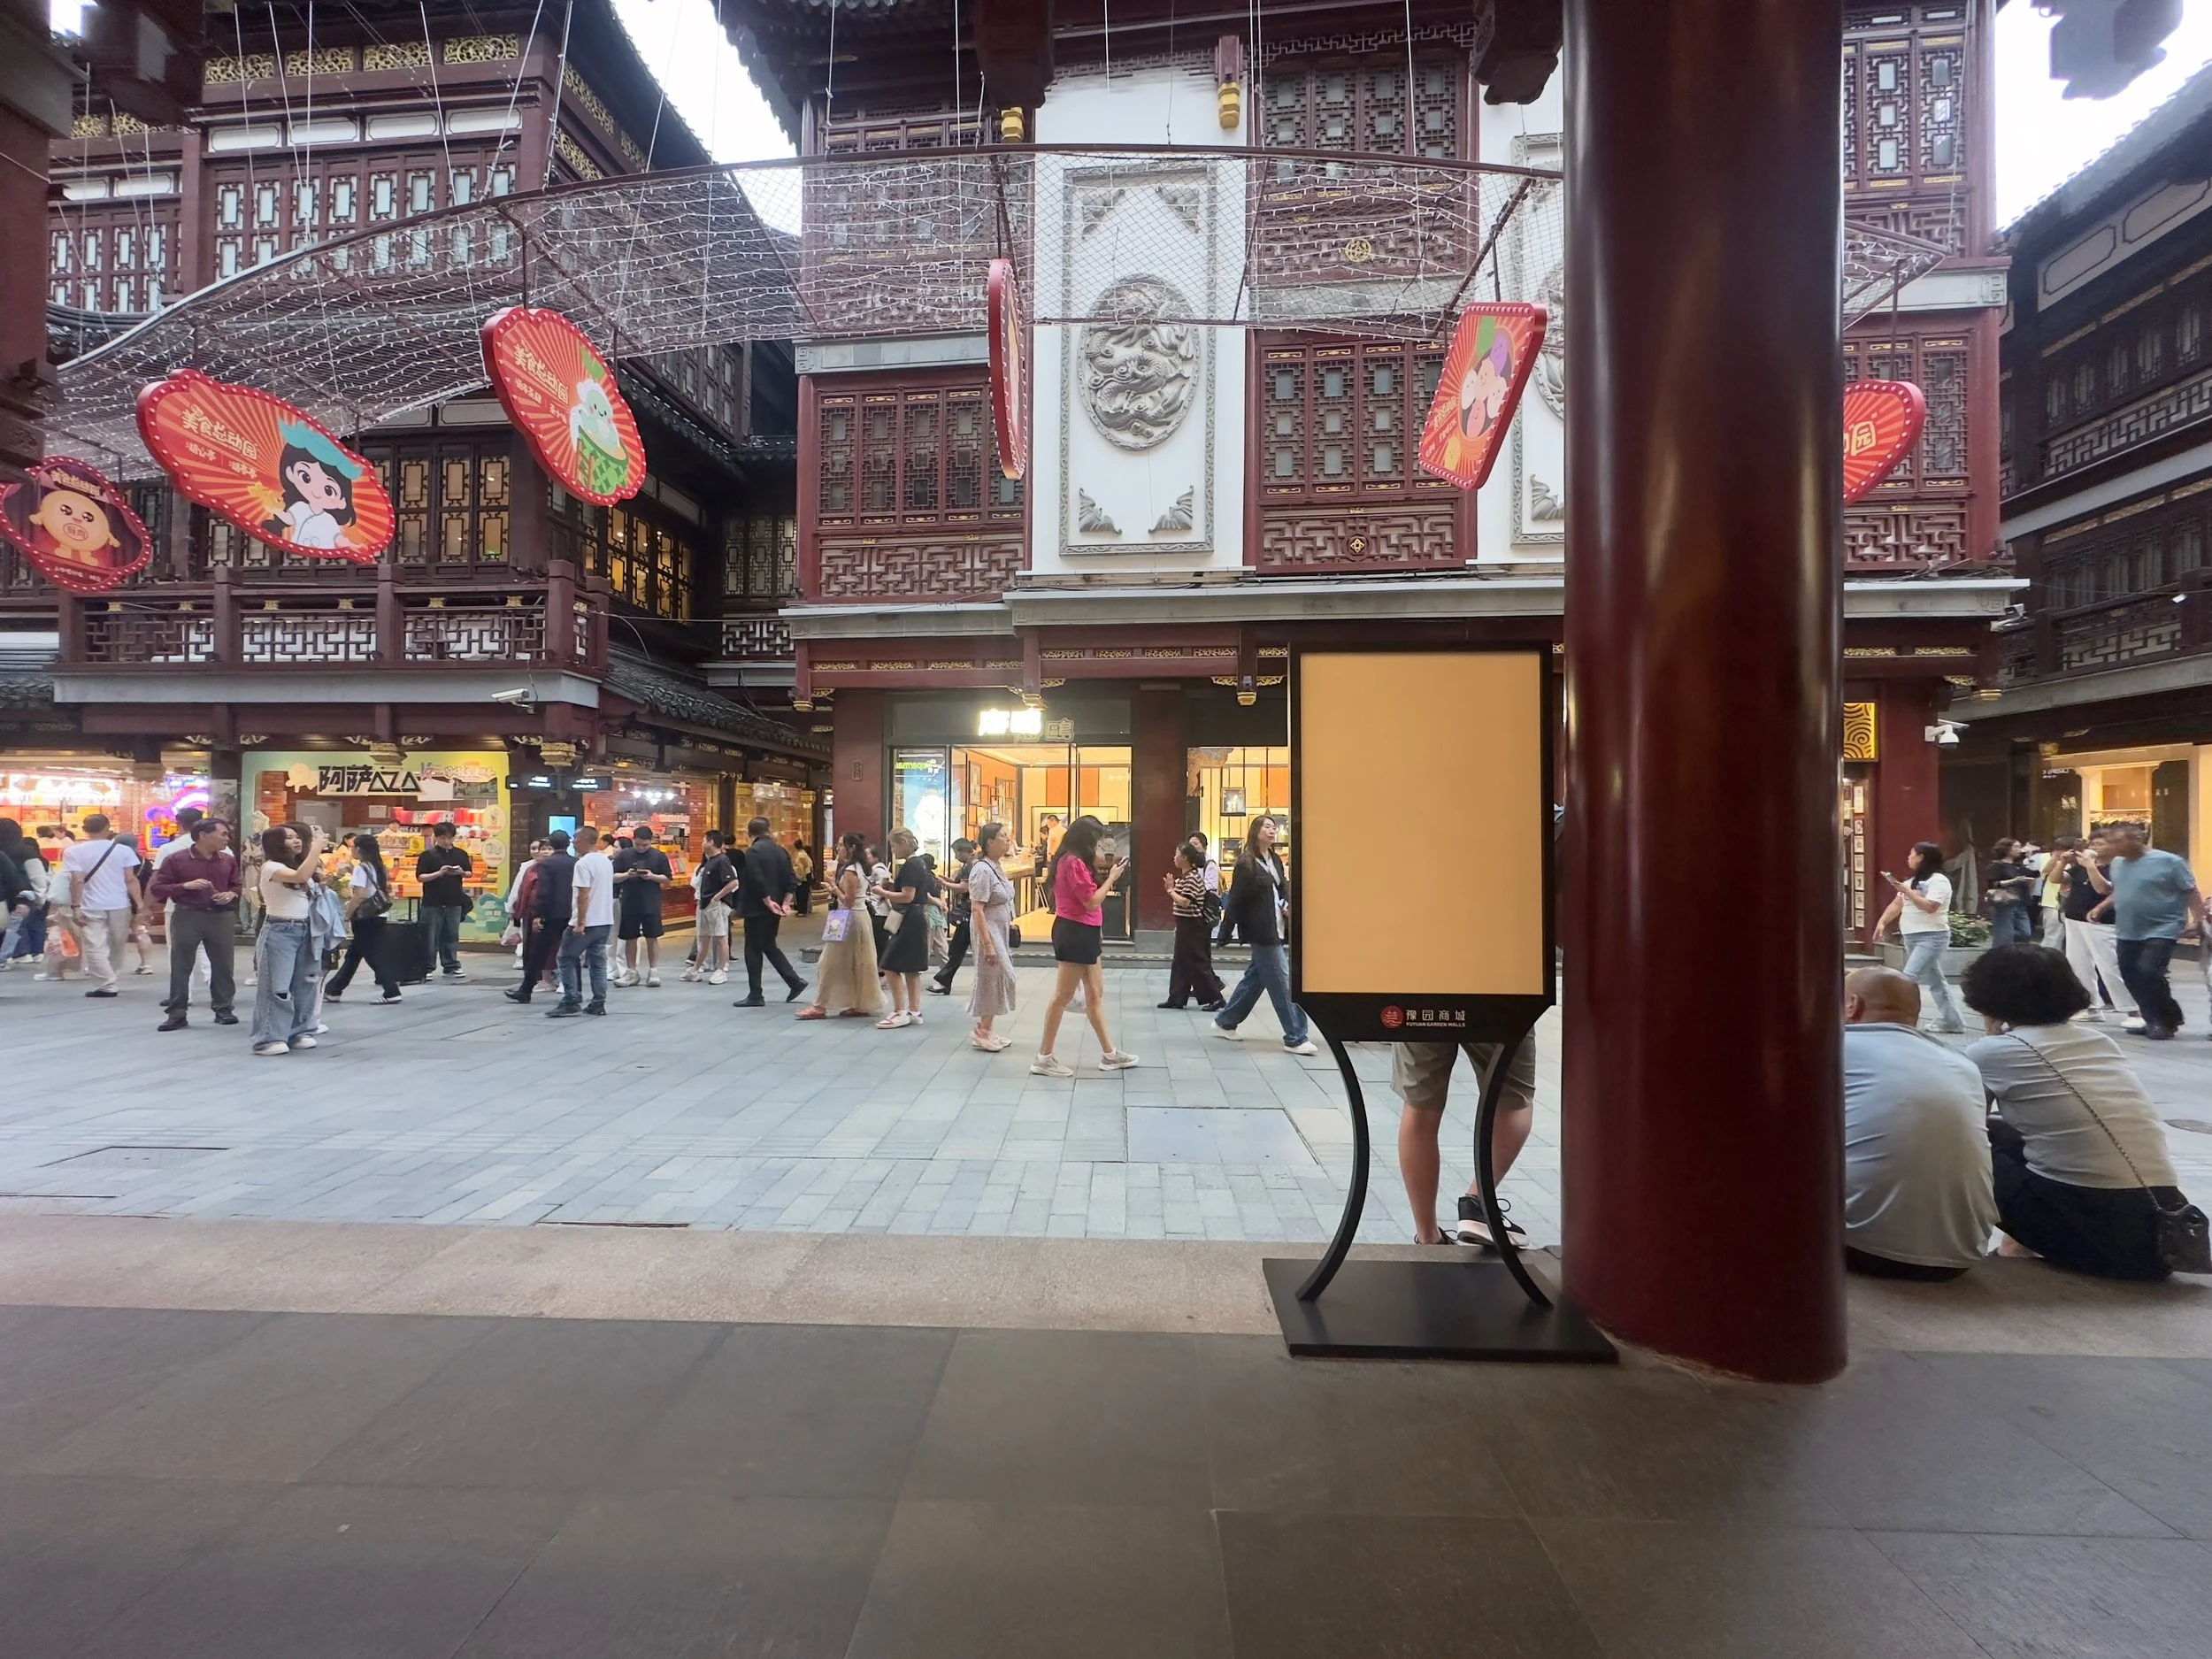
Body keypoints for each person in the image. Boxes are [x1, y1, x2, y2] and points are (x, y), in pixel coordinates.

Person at [1962, 943, 2195, 1279]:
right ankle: (2015, 1247)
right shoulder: (2099, 1041)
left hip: (2094, 1228)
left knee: (1968, 1142)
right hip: (2162, 1224)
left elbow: (1962, 1127)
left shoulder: (1991, 1052)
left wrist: (1990, 1035)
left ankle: (1958, 1247)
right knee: (2005, 1132)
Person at [1840, 966, 1998, 1279]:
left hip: (1860, 1244)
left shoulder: (1833, 1047)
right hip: (1959, 1256)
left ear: (1852, 1005)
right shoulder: (1961, 1063)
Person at [1393, 1037, 1540, 1248]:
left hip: (1422, 1005)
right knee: (1513, 1097)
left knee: (1419, 1106)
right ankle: (1477, 1204)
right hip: (1498, 1005)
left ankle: (1428, 1236)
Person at [1031, 815, 1138, 1072]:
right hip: (1075, 931)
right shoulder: (1073, 863)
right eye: (1097, 840)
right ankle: (1044, 1057)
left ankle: (1109, 1053)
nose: (1099, 846)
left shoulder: (1071, 860)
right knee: (1063, 995)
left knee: (1094, 994)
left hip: (1085, 930)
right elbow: (1091, 901)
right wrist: (1112, 878)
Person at [1211, 814, 1317, 1056]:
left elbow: (1281, 887)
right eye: (1267, 827)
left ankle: (1225, 1021)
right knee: (1284, 982)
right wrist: (1225, 933)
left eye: (1274, 828)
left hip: (1278, 927)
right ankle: (1296, 1037)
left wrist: (1288, 903)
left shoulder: (1275, 860)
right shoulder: (1246, 863)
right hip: (1262, 932)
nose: (1272, 831)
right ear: (1256, 831)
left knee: (1255, 979)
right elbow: (1236, 900)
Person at [2100, 823, 2204, 1041]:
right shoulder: (2117, 863)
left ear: (2137, 840)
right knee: (2130, 974)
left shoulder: (2170, 862)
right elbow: (2123, 891)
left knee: (2149, 971)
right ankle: (2158, 1017)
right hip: (2128, 928)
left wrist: (2197, 919)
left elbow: (2190, 890)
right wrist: (2102, 906)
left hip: (2163, 926)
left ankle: (2162, 1021)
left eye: (2116, 841)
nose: (2110, 846)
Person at [148, 817, 242, 1030]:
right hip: (187, 915)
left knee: (223, 964)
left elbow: (237, 885)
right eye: (223, 834)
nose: (227, 838)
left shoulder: (227, 860)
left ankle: (223, 1008)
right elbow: (158, 888)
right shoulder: (176, 859)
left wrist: (230, 894)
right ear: (203, 835)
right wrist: (184, 886)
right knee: (181, 965)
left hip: (221, 916)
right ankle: (177, 1013)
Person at [1869, 840, 1964, 1034]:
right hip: (1911, 936)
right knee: (1936, 981)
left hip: (1932, 937)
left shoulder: (1939, 880)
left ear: (1921, 857)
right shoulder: (1911, 882)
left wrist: (1908, 893)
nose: (1908, 858)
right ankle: (1952, 1020)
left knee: (1907, 977)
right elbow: (1897, 905)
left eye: (1911, 854)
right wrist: (1882, 922)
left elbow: (1930, 907)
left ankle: (1895, 1018)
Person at [250, 823, 327, 1056]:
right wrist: (316, 849)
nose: (296, 841)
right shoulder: (270, 867)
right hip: (280, 930)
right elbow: (299, 876)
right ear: (276, 843)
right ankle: (269, 1037)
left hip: (307, 929)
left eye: (297, 837)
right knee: (277, 986)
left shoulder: (300, 865)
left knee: (306, 983)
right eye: (289, 838)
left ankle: (300, 1031)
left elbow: (305, 879)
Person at [2055, 833, 2140, 1030]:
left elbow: (2103, 889)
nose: (2095, 847)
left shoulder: (2118, 866)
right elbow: (2056, 879)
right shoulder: (2080, 866)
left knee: (2110, 965)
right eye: (2093, 843)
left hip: (2102, 922)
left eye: (2101, 843)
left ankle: (2134, 1010)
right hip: (2074, 918)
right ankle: (2090, 1007)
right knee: (2079, 965)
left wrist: (2091, 865)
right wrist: (2062, 862)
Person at [798, 831, 883, 1020]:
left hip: (848, 918)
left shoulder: (851, 871)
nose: (838, 848)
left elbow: (849, 900)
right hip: (856, 917)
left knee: (829, 962)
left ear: (851, 848)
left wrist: (833, 886)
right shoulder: (858, 867)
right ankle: (859, 1003)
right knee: (857, 962)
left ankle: (820, 1006)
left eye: (841, 845)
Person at [59, 811, 143, 999]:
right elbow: (130, 879)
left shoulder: (73, 851)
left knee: (94, 945)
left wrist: (76, 906)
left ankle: (107, 982)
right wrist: (140, 904)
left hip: (90, 905)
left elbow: (77, 880)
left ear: (84, 830)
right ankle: (109, 978)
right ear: (108, 829)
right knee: (117, 943)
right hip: (120, 904)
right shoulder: (124, 851)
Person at [734, 816, 808, 1007]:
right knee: (768, 944)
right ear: (769, 830)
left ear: (749, 834)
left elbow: (756, 879)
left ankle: (756, 994)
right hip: (775, 908)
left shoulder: (752, 853)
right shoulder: (781, 851)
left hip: (757, 908)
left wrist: (767, 901)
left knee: (753, 949)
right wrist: (785, 902)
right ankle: (794, 981)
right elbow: (791, 878)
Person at [322, 832, 402, 1006]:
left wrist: (347, 914)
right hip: (379, 914)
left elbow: (360, 894)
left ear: (359, 849)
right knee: (355, 953)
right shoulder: (379, 867)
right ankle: (333, 990)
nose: (352, 851)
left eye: (353, 848)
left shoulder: (361, 868)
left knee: (370, 954)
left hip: (365, 916)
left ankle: (391, 990)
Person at [547, 825, 613, 1018]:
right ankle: (598, 1002)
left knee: (565, 958)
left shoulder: (582, 864)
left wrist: (580, 922)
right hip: (604, 920)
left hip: (587, 922)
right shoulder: (605, 861)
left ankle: (571, 999)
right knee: (598, 962)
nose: (573, 842)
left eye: (576, 839)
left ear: (585, 840)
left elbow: (583, 894)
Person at [872, 829, 935, 1028]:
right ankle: (914, 1010)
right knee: (912, 968)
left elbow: (907, 896)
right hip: (917, 917)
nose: (893, 850)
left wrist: (883, 891)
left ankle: (899, 1010)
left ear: (903, 844)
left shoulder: (910, 866)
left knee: (890, 965)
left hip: (909, 918)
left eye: (894, 845)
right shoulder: (921, 864)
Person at [964, 822, 1018, 1050]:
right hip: (988, 930)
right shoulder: (982, 870)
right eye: (1003, 837)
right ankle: (983, 1030)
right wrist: (986, 944)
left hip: (999, 929)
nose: (1008, 840)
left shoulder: (996, 866)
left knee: (997, 976)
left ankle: (986, 1028)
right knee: (993, 974)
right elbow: (977, 908)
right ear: (989, 842)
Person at [506, 830, 573, 1004]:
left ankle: (526, 989)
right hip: (571, 913)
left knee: (539, 952)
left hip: (551, 914)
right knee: (569, 952)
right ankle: (571, 989)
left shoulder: (546, 865)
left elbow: (544, 892)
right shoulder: (575, 863)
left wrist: (539, 915)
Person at [1158, 841, 1226, 1011]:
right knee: (1180, 962)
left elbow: (1185, 902)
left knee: (1198, 963)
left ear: (1185, 858)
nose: (1174, 858)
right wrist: (1173, 888)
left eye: (1176, 854)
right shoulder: (1186, 877)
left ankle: (1216, 998)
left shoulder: (1193, 878)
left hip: (1193, 927)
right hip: (1185, 926)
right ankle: (1177, 997)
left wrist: (1171, 890)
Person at [612, 825, 671, 987]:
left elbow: (667, 878)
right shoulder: (624, 855)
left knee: (652, 937)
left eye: (645, 845)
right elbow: (613, 876)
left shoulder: (659, 856)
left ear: (651, 841)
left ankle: (653, 971)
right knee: (629, 937)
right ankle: (631, 972)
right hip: (629, 902)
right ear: (633, 841)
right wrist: (627, 875)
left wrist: (652, 876)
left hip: (651, 902)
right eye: (638, 844)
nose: (641, 848)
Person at [415, 821, 472, 980]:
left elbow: (469, 873)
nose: (447, 842)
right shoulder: (428, 855)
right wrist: (439, 873)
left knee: (451, 934)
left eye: (449, 838)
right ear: (436, 837)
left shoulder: (460, 854)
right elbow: (421, 877)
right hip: (432, 901)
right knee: (430, 936)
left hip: (454, 900)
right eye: (443, 838)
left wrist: (460, 873)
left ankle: (451, 965)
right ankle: (426, 967)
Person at [929, 838, 978, 996]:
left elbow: (964, 888)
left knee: (958, 950)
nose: (956, 856)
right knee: (958, 950)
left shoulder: (970, 866)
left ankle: (944, 981)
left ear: (964, 851)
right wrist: (948, 881)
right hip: (970, 914)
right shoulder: (973, 864)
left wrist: (946, 883)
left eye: (956, 852)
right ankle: (944, 981)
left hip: (969, 914)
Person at [688, 829, 738, 985]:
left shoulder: (722, 860)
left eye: (704, 840)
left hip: (716, 905)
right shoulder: (710, 861)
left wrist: (717, 898)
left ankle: (721, 969)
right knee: (703, 938)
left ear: (710, 842)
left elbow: (733, 882)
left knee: (720, 937)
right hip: (705, 904)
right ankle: (695, 969)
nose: (702, 844)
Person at [0, 818, 49, 970]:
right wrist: (41, 897)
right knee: (27, 924)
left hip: (5, 896)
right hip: (24, 894)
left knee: (13, 927)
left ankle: (17, 953)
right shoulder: (25, 850)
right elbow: (37, 875)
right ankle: (33, 951)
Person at [1984, 838, 2036, 947]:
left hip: (2021, 902)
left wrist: (2030, 858)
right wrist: (2015, 880)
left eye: (2019, 847)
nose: (2019, 849)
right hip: (2005, 902)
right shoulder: (1996, 865)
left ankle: (2007, 945)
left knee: (2026, 933)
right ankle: (2001, 953)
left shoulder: (2018, 865)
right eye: (2015, 847)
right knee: (2004, 936)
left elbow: (2033, 874)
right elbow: (1994, 884)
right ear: (2006, 849)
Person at [791, 837, 815, 916]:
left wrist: (800, 876)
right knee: (802, 893)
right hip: (806, 875)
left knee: (802, 893)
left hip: (804, 876)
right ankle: (802, 910)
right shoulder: (803, 853)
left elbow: (803, 867)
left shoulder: (801, 855)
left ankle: (802, 910)